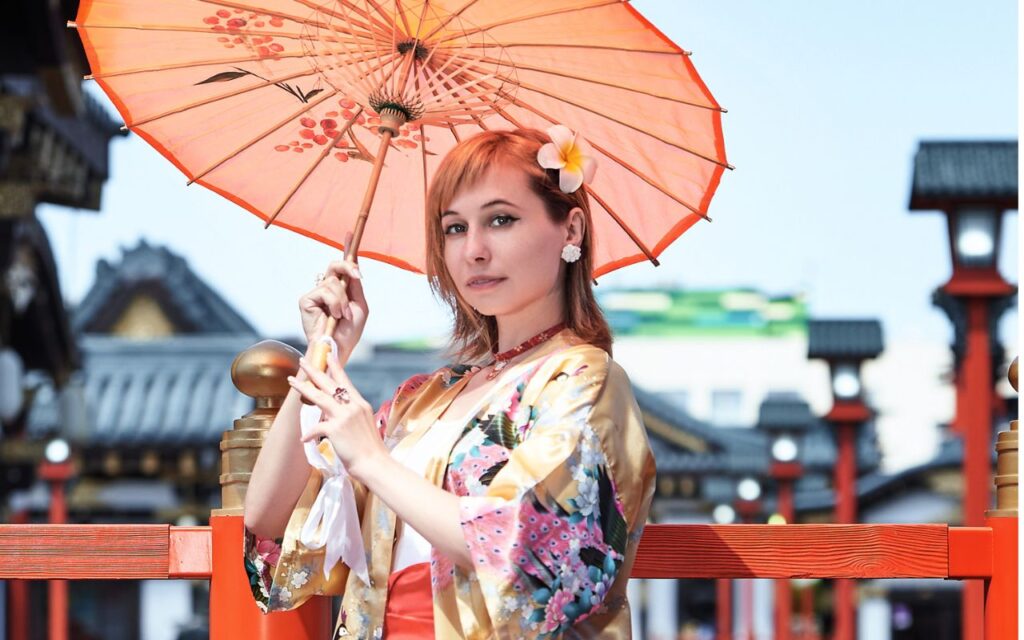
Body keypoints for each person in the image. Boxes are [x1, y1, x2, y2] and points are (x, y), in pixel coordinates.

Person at [242, 126, 656, 639]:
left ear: (571, 230)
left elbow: (532, 549)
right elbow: (269, 518)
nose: (473, 250)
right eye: (454, 228)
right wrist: (325, 352)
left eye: (500, 220)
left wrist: (371, 459)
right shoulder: (424, 398)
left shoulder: (584, 379)